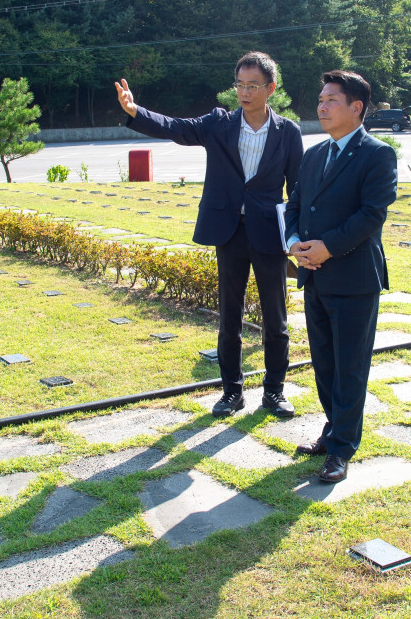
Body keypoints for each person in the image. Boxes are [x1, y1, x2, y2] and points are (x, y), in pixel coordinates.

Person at [115, 52, 303, 418]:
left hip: (268, 235)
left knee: (275, 318)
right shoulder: (219, 123)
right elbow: (176, 127)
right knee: (229, 316)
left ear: (271, 89)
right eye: (240, 85)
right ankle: (232, 391)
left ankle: (275, 392)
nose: (244, 92)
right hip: (228, 232)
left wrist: (297, 238)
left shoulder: (289, 132)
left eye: (253, 86)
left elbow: (297, 191)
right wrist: (136, 111)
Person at [285, 70, 398, 483]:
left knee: (350, 366)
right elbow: (294, 204)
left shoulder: (377, 154)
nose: (322, 106)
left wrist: (327, 246)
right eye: (320, 99)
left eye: (332, 100)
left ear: (356, 108)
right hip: (314, 276)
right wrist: (295, 241)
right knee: (324, 364)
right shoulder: (314, 154)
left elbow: (371, 214)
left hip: (353, 278)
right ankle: (334, 430)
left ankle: (342, 448)